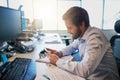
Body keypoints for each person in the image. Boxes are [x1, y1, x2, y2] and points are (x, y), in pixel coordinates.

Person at [46, 6, 120, 80]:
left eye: (70, 27)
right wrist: (59, 53)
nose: (68, 31)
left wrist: (57, 61)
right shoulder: (83, 35)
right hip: (91, 76)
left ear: (82, 24)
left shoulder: (95, 38)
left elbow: (85, 70)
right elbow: (72, 47)